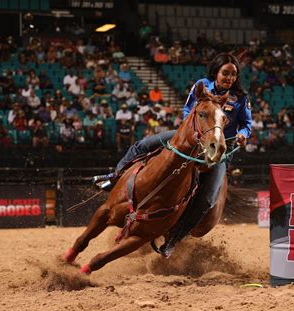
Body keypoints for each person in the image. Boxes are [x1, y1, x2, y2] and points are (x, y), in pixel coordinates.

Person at [93, 53, 252, 258]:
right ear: (216, 72)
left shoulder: (240, 98)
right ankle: (114, 177)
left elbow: (247, 125)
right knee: (142, 145)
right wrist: (191, 130)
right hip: (190, 137)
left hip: (220, 149)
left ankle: (174, 239)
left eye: (233, 74)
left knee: (208, 198)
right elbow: (188, 108)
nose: (229, 78)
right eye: (226, 73)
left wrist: (242, 134)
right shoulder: (201, 86)